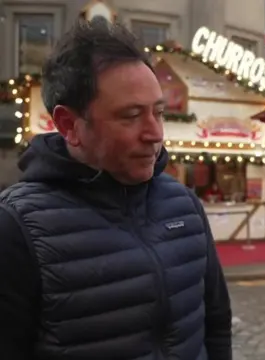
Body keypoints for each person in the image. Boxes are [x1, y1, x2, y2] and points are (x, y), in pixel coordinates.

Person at [0, 19, 231, 359]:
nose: (155, 133)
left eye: (159, 112)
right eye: (131, 115)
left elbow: (216, 322)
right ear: (69, 125)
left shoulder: (183, 204)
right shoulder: (15, 228)